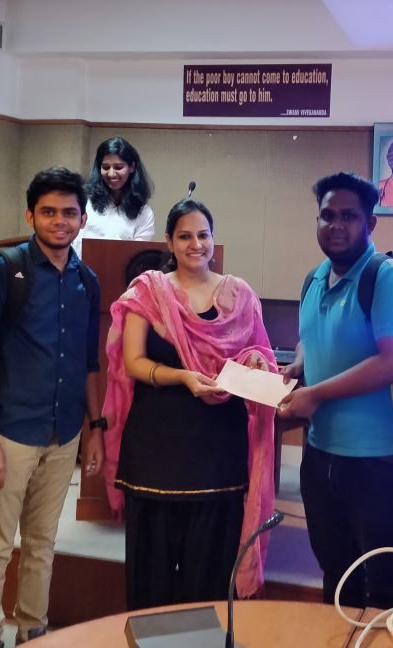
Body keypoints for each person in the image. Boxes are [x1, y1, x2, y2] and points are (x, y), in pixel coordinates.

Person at [101, 199, 276, 610]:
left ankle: (204, 639)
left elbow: (259, 354)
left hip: (219, 452)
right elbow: (133, 362)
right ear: (169, 241)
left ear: (213, 238)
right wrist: (182, 376)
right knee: (152, 576)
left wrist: (255, 362)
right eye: (185, 236)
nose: (196, 244)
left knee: (209, 573)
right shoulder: (148, 291)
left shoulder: (239, 295)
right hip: (157, 450)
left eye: (203, 235)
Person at [0, 167, 105, 647]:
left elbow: (89, 362)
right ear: (30, 215)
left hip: (64, 433)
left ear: (83, 219)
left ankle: (33, 633)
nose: (59, 221)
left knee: (42, 543)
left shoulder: (87, 280)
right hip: (10, 432)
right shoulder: (2, 271)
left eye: (69, 212)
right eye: (48, 212)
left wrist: (95, 429)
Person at [277, 172, 393, 609]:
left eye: (349, 216)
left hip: (382, 461)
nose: (336, 225)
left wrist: (316, 394)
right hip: (321, 454)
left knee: (382, 586)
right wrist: (300, 365)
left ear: (370, 223)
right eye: (327, 216)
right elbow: (311, 337)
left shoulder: (390, 278)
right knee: (336, 575)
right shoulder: (314, 279)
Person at [79, 137, 155, 241]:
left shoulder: (144, 213)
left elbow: (140, 250)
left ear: (132, 167)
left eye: (118, 167)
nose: (111, 174)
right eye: (105, 167)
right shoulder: (85, 201)